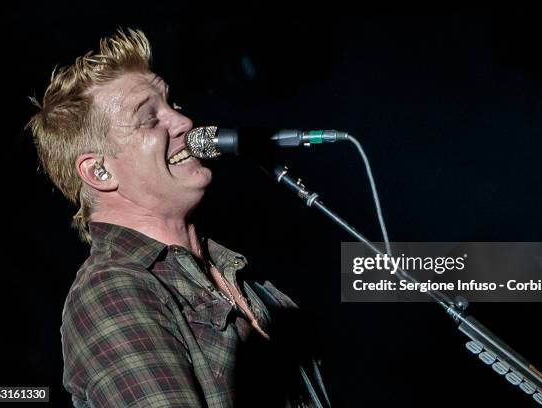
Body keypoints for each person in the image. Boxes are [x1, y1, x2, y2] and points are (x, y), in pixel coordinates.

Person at [28, 28, 330, 408]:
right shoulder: (112, 290)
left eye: (172, 105)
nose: (184, 123)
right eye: (148, 118)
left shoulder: (241, 273)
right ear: (100, 172)